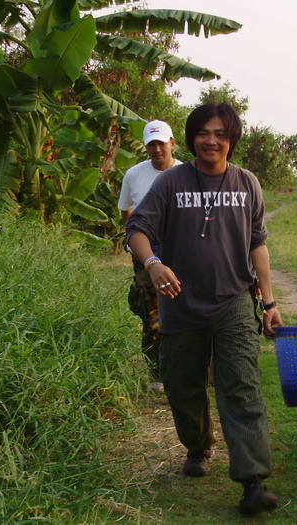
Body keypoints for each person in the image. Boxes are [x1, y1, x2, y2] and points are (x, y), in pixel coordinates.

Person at [125, 103, 282, 516]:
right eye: (203, 133)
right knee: (183, 385)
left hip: (233, 302)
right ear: (192, 137)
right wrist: (153, 263)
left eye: (221, 134)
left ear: (232, 139)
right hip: (179, 305)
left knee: (242, 388)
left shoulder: (247, 183)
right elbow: (137, 229)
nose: (211, 141)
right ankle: (198, 446)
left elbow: (258, 244)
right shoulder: (171, 182)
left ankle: (253, 480)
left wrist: (269, 300)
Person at [118, 120, 180, 392]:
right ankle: (157, 374)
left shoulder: (188, 173)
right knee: (152, 314)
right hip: (146, 254)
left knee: (187, 310)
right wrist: (134, 243)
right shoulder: (134, 174)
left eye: (161, 143)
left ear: (172, 143)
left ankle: (193, 370)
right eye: (151, 145)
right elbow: (126, 209)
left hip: (181, 251)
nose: (157, 149)